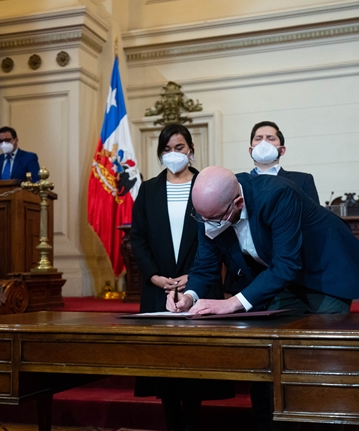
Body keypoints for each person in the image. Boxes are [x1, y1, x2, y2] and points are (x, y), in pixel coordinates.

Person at [167, 166, 359, 431]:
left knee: (323, 349)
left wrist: (232, 303)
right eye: (203, 218)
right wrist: (189, 297)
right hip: (277, 276)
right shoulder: (209, 211)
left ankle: (328, 422)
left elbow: (287, 264)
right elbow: (205, 265)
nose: (208, 224)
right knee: (271, 345)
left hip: (323, 268)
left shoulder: (276, 194)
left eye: (215, 218)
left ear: (237, 202)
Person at [130, 124, 233, 431]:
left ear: (191, 149)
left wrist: (195, 276)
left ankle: (193, 421)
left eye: (179, 147)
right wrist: (154, 277)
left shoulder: (208, 185)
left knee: (195, 362)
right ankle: (172, 422)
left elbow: (220, 234)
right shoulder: (147, 189)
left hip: (199, 286)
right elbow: (138, 238)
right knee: (163, 363)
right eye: (167, 149)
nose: (173, 154)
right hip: (158, 287)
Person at [249, 121, 320, 203]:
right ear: (250, 151)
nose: (264, 143)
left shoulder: (302, 180)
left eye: (270, 138)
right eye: (258, 139)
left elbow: (315, 214)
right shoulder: (239, 183)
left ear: (282, 150)